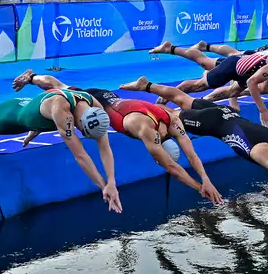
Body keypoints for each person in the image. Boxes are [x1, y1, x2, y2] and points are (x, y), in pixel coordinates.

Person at [121, 78, 268, 242]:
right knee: (173, 115)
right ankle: (144, 112)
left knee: (181, 97)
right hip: (214, 125)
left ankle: (147, 85)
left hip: (226, 115)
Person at [12, 70, 223, 206]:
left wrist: (206, 179)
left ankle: (35, 93)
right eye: (157, 158)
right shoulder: (146, 132)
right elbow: (173, 169)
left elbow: (191, 153)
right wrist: (200, 188)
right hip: (94, 104)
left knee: (61, 87)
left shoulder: (172, 120)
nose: (157, 159)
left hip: (110, 97)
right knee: (60, 90)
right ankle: (31, 78)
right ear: (159, 146)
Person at [0, 88, 123, 213]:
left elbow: (104, 146)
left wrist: (112, 182)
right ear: (80, 123)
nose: (83, 135)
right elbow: (81, 156)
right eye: (84, 133)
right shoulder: (62, 114)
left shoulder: (93, 106)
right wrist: (102, 186)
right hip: (13, 113)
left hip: (33, 119)